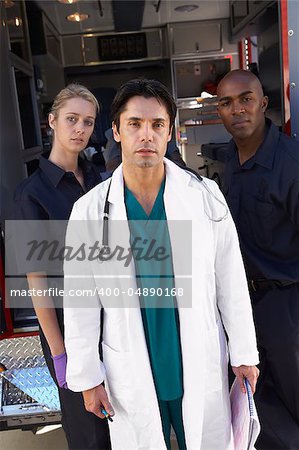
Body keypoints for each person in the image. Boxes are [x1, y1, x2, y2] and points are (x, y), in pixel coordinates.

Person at [63, 78, 259, 450]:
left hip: (195, 358)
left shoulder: (205, 196)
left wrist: (244, 353)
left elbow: (230, 280)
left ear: (170, 131)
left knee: (206, 440)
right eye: (135, 124)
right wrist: (88, 377)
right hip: (133, 365)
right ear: (117, 131)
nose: (146, 135)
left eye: (157, 125)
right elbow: (81, 301)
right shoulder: (89, 211)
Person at [14, 84, 111, 450]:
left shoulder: (99, 181)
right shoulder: (31, 194)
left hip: (112, 323)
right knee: (91, 437)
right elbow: (37, 283)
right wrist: (59, 354)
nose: (80, 129)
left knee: (125, 428)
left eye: (87, 122)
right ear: (52, 121)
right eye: (71, 119)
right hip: (68, 331)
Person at [217, 69, 299, 449]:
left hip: (288, 309)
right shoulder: (227, 165)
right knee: (257, 410)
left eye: (246, 99)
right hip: (243, 310)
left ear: (263, 103)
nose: (238, 109)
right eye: (227, 103)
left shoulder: (291, 163)